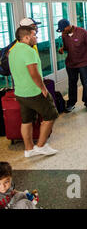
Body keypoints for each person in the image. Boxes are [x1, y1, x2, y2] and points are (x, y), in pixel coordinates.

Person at [9, 26, 59, 157]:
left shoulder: (12, 51)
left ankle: (29, 149)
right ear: (26, 37)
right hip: (34, 92)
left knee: (26, 121)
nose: (36, 37)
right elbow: (33, 73)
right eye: (34, 35)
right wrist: (43, 88)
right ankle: (41, 146)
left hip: (20, 92)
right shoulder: (28, 51)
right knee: (51, 115)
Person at [58, 19, 87, 112]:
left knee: (85, 83)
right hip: (71, 64)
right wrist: (62, 49)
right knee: (71, 83)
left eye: (63, 30)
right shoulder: (64, 35)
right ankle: (71, 103)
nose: (62, 32)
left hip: (83, 62)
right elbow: (67, 47)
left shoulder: (82, 32)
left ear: (68, 27)